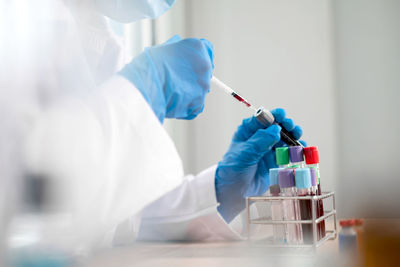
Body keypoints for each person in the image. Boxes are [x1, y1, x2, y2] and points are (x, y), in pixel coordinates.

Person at [2, 0, 303, 252]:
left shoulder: (96, 38)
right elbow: (34, 197)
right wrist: (148, 87)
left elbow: (121, 216)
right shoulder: (16, 18)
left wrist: (217, 191)